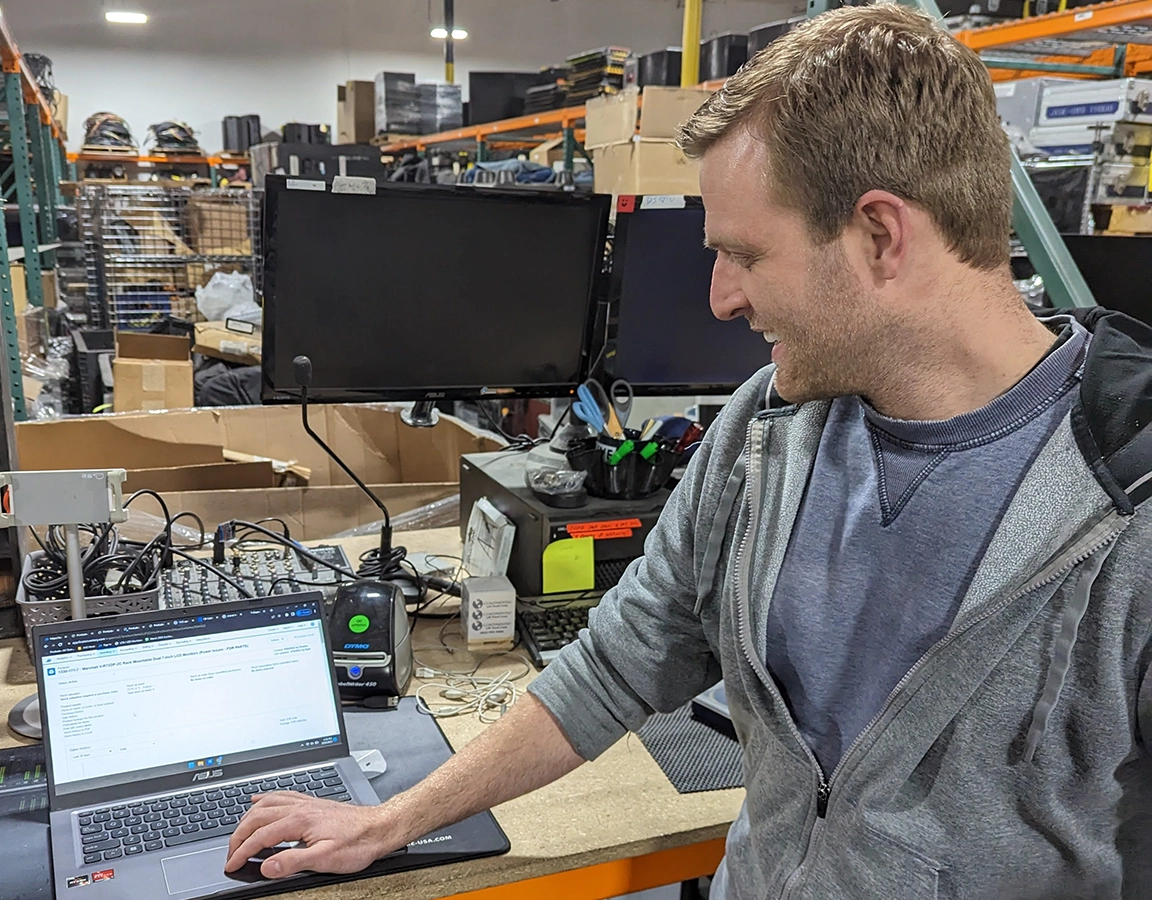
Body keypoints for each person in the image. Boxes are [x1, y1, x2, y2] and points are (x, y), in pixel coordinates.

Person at [226, 5, 1152, 896]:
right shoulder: (766, 434)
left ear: (880, 235)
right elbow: (618, 664)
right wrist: (391, 820)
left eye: (743, 254)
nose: (719, 299)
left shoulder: (1129, 504)